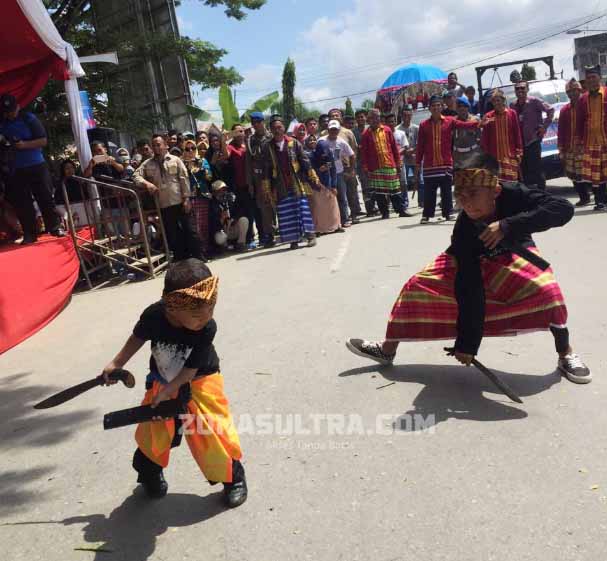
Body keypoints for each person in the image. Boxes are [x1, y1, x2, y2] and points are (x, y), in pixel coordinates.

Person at [346, 153, 591, 385]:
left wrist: (507, 225)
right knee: (415, 286)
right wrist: (467, 343)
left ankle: (565, 354)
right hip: (469, 258)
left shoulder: (515, 193)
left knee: (548, 291)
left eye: (472, 193)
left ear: (495, 190)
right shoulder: (464, 228)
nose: (465, 202)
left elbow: (563, 209)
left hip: (512, 251)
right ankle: (387, 350)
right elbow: (469, 283)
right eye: (460, 195)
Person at [101, 258, 247, 506]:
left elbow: (189, 372)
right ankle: (149, 474)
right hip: (161, 379)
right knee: (154, 433)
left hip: (201, 380)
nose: (207, 317)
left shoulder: (207, 327)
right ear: (172, 308)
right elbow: (137, 337)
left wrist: (172, 389)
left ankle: (234, 479)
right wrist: (117, 363)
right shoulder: (154, 315)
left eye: (210, 310)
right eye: (198, 315)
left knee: (211, 433)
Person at [0, 93, 64, 243]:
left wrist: (24, 145)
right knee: (22, 202)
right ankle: (30, 233)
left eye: (12, 110)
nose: (10, 114)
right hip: (15, 168)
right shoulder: (2, 123)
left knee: (45, 197)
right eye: (6, 111)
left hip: (36, 164)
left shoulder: (28, 118)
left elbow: (43, 140)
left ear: (18, 107)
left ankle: (54, 227)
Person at [133, 134, 202, 261]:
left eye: (158, 144)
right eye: (153, 145)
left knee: (190, 230)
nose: (156, 147)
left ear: (165, 145)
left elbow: (184, 179)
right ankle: (182, 260)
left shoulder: (175, 160)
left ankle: (198, 257)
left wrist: (186, 198)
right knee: (173, 235)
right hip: (164, 205)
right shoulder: (147, 164)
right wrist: (147, 184)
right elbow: (136, 176)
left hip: (180, 201)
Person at [416, 95, 480, 223]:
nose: (436, 108)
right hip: (430, 164)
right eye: (433, 106)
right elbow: (420, 145)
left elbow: (463, 125)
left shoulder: (449, 121)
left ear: (442, 107)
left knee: (446, 190)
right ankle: (427, 214)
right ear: (429, 108)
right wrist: (418, 162)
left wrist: (479, 123)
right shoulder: (423, 125)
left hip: (445, 162)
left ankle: (448, 212)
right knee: (430, 191)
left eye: (438, 105)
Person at [267, 116, 317, 249]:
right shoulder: (268, 147)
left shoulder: (293, 143)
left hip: (296, 181)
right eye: (274, 128)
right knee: (285, 212)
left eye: (279, 127)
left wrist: (312, 177)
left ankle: (311, 236)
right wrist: (267, 188)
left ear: (284, 128)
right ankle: (293, 240)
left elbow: (304, 160)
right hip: (280, 185)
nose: (277, 130)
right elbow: (266, 169)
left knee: (302, 209)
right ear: (270, 130)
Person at [360, 109, 406, 219]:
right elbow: (364, 153)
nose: (375, 120)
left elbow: (394, 147)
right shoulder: (366, 134)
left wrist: (398, 162)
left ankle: (401, 211)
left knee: (395, 190)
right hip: (375, 167)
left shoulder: (387, 130)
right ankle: (385, 213)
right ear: (369, 119)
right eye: (372, 118)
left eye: (377, 117)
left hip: (389, 164)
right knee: (379, 193)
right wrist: (366, 168)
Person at [511, 81, 554, 190]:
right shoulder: (513, 105)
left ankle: (543, 194)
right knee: (523, 171)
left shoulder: (534, 101)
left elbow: (550, 110)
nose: (520, 90)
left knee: (537, 169)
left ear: (527, 89)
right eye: (517, 89)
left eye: (522, 88)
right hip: (519, 144)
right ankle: (528, 196)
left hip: (533, 140)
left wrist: (544, 127)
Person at [576, 64, 607, 211]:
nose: (591, 81)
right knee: (596, 176)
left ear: (599, 78)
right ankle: (600, 201)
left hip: (605, 140)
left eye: (593, 77)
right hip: (591, 143)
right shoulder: (583, 99)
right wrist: (579, 141)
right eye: (588, 79)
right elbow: (580, 121)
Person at [558, 78, 591, 207]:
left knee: (591, 173)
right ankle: (584, 197)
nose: (572, 94)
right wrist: (561, 149)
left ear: (580, 90)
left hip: (586, 145)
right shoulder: (564, 110)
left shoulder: (587, 105)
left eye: (574, 91)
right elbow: (561, 130)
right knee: (573, 175)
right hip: (570, 147)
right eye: (569, 92)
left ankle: (600, 198)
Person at [480, 89, 523, 183]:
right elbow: (485, 137)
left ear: (503, 100)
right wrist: (486, 154)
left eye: (498, 100)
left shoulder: (512, 114)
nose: (496, 103)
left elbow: (517, 133)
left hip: (510, 155)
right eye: (494, 101)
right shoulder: (488, 116)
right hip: (495, 157)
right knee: (497, 183)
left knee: (511, 183)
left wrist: (519, 151)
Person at [305, 134, 342, 234]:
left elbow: (332, 166)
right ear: (306, 143)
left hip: (328, 183)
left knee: (332, 206)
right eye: (310, 140)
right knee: (318, 207)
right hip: (315, 184)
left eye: (314, 140)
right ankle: (319, 229)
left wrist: (334, 185)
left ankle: (336, 226)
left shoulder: (324, 151)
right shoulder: (306, 155)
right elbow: (307, 169)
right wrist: (318, 170)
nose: (312, 141)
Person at [227, 124, 256, 247]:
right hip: (239, 187)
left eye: (242, 131)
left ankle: (252, 237)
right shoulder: (230, 147)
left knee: (253, 212)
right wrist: (225, 140)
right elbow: (225, 155)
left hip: (252, 184)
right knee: (243, 213)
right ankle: (246, 239)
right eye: (237, 132)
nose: (240, 133)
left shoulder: (249, 144)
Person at [182, 139, 212, 256]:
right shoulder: (181, 163)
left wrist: (202, 169)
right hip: (188, 197)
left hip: (202, 195)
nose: (190, 151)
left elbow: (209, 177)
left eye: (193, 148)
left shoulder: (202, 160)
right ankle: (197, 251)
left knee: (203, 224)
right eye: (187, 149)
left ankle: (204, 249)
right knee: (193, 226)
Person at [208, 180, 248, 253]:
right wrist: (221, 219)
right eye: (220, 190)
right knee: (219, 236)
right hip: (222, 230)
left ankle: (241, 243)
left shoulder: (231, 198)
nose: (223, 192)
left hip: (233, 227)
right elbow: (212, 224)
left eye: (224, 189)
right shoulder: (212, 204)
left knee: (244, 220)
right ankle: (224, 246)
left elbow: (241, 210)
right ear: (215, 192)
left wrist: (234, 219)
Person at [385, 113, 413, 216]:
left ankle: (404, 205)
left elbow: (405, 147)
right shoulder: (383, 133)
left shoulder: (400, 133)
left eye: (393, 121)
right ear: (385, 123)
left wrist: (395, 153)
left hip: (400, 162)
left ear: (395, 121)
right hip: (388, 164)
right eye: (389, 122)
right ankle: (389, 206)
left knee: (403, 184)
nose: (391, 123)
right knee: (390, 186)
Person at [396, 104, 423, 207]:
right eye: (405, 115)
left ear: (412, 115)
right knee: (404, 182)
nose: (407, 117)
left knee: (420, 180)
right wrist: (405, 151)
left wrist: (413, 150)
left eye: (409, 115)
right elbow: (397, 145)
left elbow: (421, 142)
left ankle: (421, 201)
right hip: (403, 159)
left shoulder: (416, 128)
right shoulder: (397, 129)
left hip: (416, 158)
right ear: (401, 116)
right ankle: (405, 203)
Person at [54, 160, 92, 228]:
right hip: (72, 212)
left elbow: (87, 175)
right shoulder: (61, 184)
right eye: (67, 168)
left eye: (71, 167)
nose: (70, 170)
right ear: (63, 171)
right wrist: (69, 216)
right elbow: (58, 205)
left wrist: (90, 165)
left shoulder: (79, 179)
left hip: (86, 209)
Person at [353, 109, 376, 215]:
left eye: (362, 117)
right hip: (361, 163)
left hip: (374, 162)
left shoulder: (371, 129)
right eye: (358, 117)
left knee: (376, 185)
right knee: (366, 187)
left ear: (366, 118)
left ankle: (378, 207)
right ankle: (370, 209)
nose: (360, 119)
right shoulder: (353, 132)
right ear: (356, 119)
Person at [453, 97, 481, 169]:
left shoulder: (475, 119)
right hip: (457, 157)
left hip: (472, 154)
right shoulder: (453, 121)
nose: (462, 108)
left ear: (468, 107)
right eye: (459, 106)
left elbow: (481, 139)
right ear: (456, 108)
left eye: (464, 106)